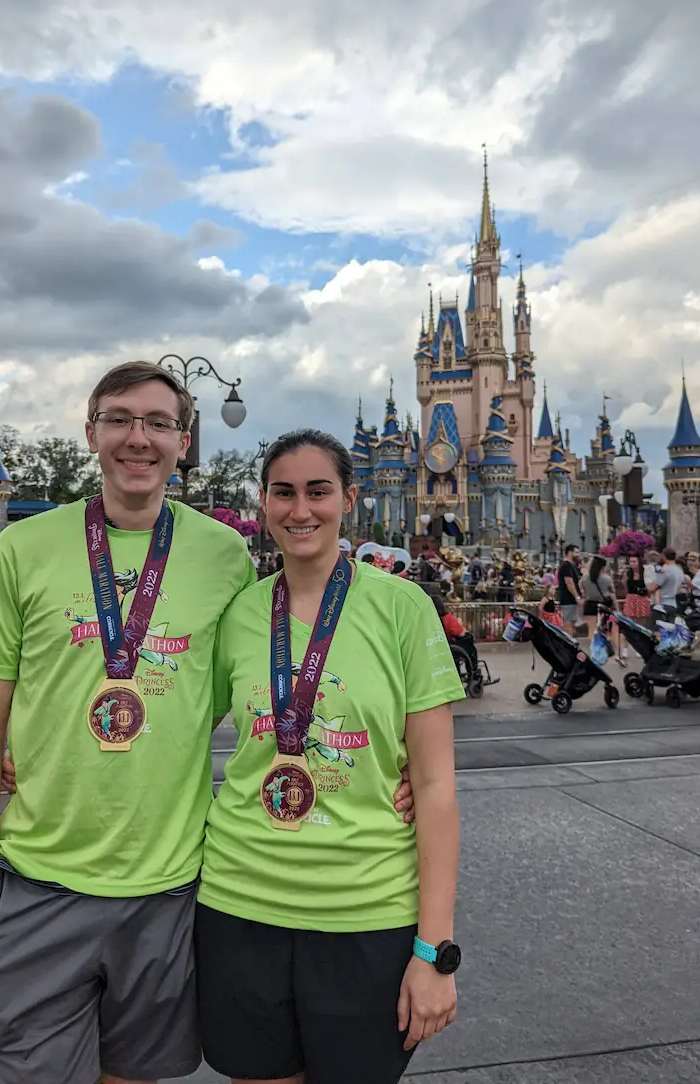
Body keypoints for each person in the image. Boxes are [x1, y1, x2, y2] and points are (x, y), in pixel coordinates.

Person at [0, 361, 416, 1084]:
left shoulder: (223, 555)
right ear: (91, 434)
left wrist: (390, 767)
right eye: (120, 420)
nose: (139, 438)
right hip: (34, 886)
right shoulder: (24, 548)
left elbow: (259, 693)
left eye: (158, 423)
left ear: (183, 441)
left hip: (169, 893)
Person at [196, 430, 464, 1084]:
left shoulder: (403, 609)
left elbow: (434, 787)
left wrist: (434, 951)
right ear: (263, 504)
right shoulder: (239, 614)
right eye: (283, 493)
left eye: (318, 491)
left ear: (349, 498)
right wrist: (25, 747)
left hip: (367, 912)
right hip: (239, 902)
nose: (301, 510)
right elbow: (173, 734)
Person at [652, 547, 685, 623]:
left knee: (659, 631)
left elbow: (653, 587)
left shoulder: (665, 570)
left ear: (663, 556)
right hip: (673, 604)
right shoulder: (679, 571)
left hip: (661, 604)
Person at [556, 545, 583, 632]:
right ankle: (568, 641)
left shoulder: (572, 566)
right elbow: (569, 583)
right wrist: (577, 596)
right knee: (568, 622)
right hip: (568, 599)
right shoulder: (566, 566)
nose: (578, 555)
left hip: (572, 600)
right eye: (576, 552)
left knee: (572, 622)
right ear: (569, 553)